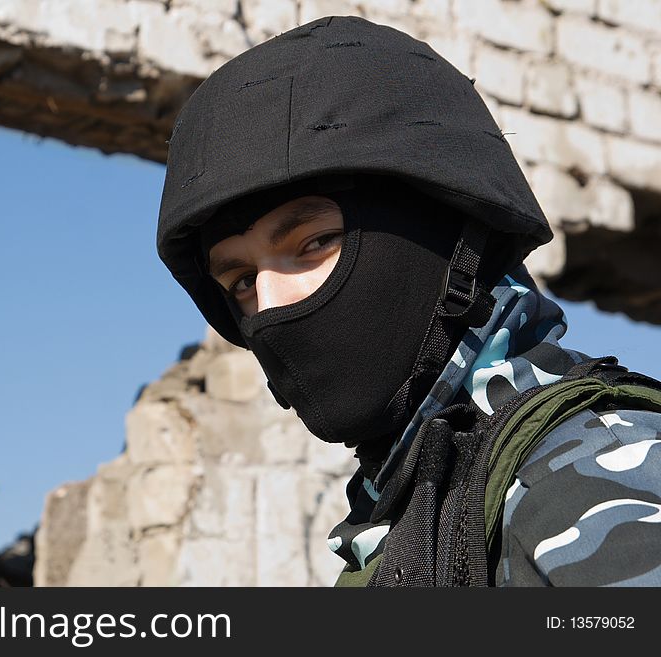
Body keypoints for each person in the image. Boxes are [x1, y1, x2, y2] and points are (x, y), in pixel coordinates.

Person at [155, 15, 661, 586]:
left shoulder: (591, 481)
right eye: (241, 280)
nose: (270, 303)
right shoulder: (409, 510)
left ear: (451, 241)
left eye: (314, 242)